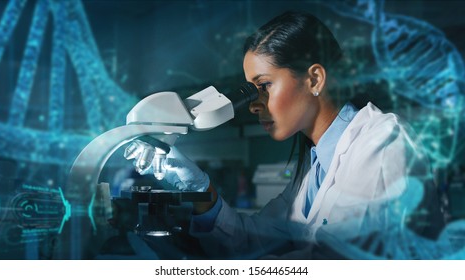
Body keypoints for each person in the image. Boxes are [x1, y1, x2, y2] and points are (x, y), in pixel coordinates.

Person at [126, 11, 443, 259]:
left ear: (314, 79)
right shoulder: (315, 167)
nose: (253, 105)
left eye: (263, 86)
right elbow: (251, 239)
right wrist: (198, 188)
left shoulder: (383, 144)